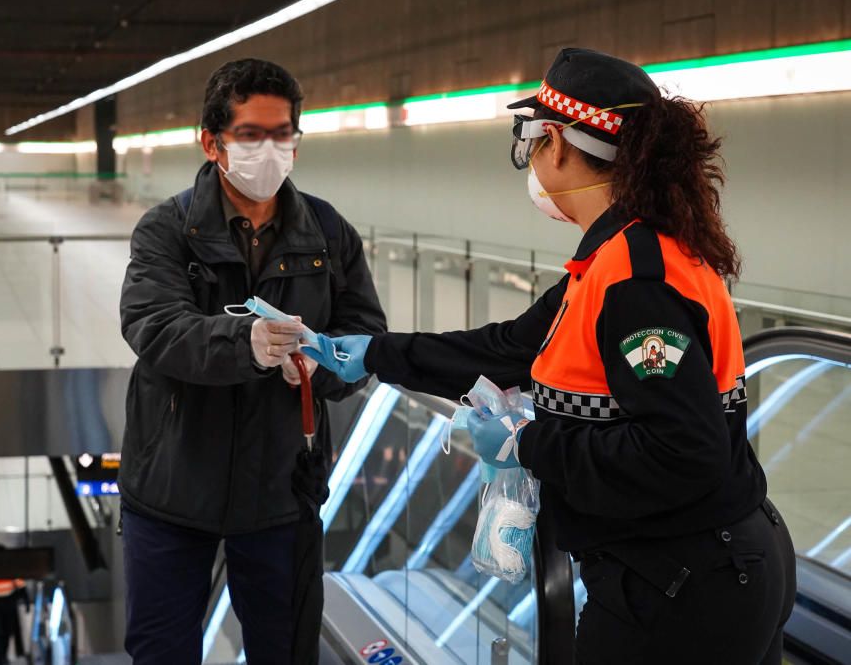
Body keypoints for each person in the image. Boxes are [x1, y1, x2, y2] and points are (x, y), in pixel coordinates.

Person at [304, 48, 796, 664]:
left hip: (679, 584)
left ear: (557, 142)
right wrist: (376, 353)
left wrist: (525, 444)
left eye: (531, 140)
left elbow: (685, 453)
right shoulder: (615, 257)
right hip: (710, 563)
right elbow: (510, 348)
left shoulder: (635, 282)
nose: (532, 159)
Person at [118, 58, 386, 664]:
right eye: (250, 135)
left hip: (281, 490)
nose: (270, 149)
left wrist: (329, 364)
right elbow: (154, 326)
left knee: (286, 649)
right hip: (171, 490)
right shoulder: (167, 230)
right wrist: (246, 344)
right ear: (212, 141)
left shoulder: (327, 233)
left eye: (282, 133)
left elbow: (366, 333)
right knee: (161, 652)